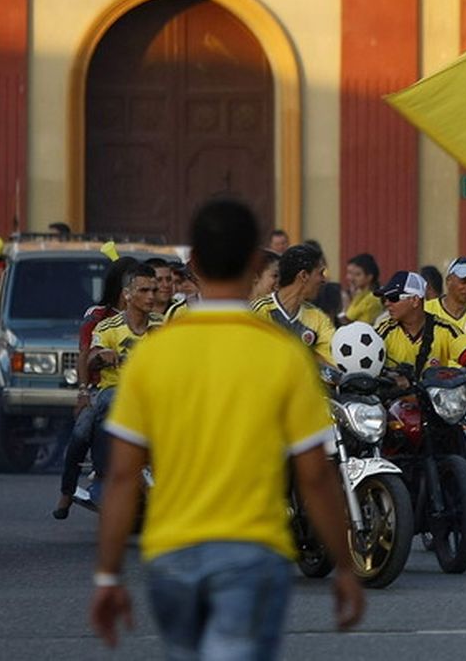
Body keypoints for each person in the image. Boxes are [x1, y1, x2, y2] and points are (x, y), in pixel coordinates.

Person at [90, 199, 364, 654]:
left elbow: (121, 476)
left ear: (192, 262)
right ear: (257, 265)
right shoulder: (284, 355)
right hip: (254, 552)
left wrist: (107, 576)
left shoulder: (154, 355)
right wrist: (346, 568)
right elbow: (315, 476)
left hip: (171, 554)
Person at [53, 257, 141, 519]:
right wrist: (82, 393)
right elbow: (85, 353)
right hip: (103, 390)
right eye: (133, 285)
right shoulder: (99, 318)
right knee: (81, 433)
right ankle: (67, 492)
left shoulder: (157, 319)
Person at [374, 271, 466, 383]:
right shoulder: (382, 331)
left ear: (415, 300)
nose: (387, 304)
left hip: (435, 404)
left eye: (393, 298)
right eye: (385, 299)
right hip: (393, 403)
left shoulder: (446, 329)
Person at [252, 243, 336, 365]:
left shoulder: (318, 318)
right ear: (303, 276)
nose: (324, 280)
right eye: (320, 273)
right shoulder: (259, 311)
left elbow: (333, 363)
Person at [341, 253, 381, 325]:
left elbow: (348, 318)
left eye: (358, 275)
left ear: (369, 277)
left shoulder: (371, 298)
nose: (353, 278)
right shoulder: (361, 294)